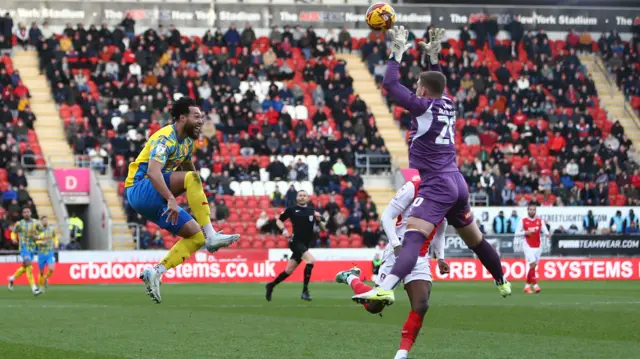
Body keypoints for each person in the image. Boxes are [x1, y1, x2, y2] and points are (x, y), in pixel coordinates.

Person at [353, 27, 510, 307]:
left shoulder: (423, 106)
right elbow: (438, 83)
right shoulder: (448, 103)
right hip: (457, 181)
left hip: (436, 183)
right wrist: (433, 58)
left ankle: (386, 287)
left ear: (423, 90)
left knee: (413, 236)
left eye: (418, 87)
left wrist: (398, 51)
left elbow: (390, 85)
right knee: (475, 239)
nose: (415, 90)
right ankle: (501, 280)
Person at [126, 97, 240, 304]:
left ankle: (155, 272)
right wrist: (171, 198)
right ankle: (212, 235)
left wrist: (199, 195)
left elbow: (188, 169)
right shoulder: (164, 139)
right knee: (191, 181)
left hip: (154, 198)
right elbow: (153, 172)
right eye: (197, 116)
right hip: (140, 188)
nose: (201, 121)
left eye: (202, 118)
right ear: (181, 118)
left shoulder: (187, 142)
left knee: (196, 237)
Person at [336, 175, 448, 359]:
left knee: (421, 304)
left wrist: (441, 257)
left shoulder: (448, 196)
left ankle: (401, 354)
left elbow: (440, 230)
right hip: (398, 251)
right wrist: (396, 246)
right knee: (374, 307)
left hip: (420, 257)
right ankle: (351, 277)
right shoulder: (414, 186)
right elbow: (387, 216)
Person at [265, 190, 326, 302]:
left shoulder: (312, 211)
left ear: (308, 198)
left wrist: (319, 221)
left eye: (304, 195)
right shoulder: (291, 210)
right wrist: (283, 229)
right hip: (295, 242)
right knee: (311, 260)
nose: (302, 197)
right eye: (300, 195)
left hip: (305, 244)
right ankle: (305, 291)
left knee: (288, 270)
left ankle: (271, 285)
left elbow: (323, 229)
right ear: (297, 198)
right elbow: (279, 220)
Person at [7, 207, 43, 296]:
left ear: (30, 213)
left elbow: (42, 232)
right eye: (24, 212)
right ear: (22, 214)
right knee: (29, 266)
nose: (26, 213)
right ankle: (34, 289)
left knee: (25, 267)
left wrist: (38, 237)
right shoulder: (19, 224)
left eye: (28, 212)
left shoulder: (36, 222)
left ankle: (12, 278)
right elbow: (13, 232)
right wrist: (13, 238)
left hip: (32, 248)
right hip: (23, 247)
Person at [515, 205, 550, 294]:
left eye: (533, 210)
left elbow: (545, 231)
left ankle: (527, 286)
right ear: (527, 211)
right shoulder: (523, 221)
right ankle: (535, 286)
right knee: (532, 264)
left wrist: (547, 234)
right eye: (530, 209)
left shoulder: (540, 221)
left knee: (533, 267)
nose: (531, 211)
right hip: (527, 245)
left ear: (535, 211)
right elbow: (516, 233)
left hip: (538, 246)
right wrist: (525, 232)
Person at [36, 215, 58, 291]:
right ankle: (41, 287)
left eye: (46, 220)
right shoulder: (38, 230)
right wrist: (41, 242)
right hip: (41, 253)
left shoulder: (51, 229)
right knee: (41, 272)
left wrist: (56, 243)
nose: (45, 221)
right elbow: (34, 240)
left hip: (49, 252)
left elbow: (55, 237)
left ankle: (46, 278)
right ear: (41, 221)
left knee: (51, 269)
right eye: (43, 220)